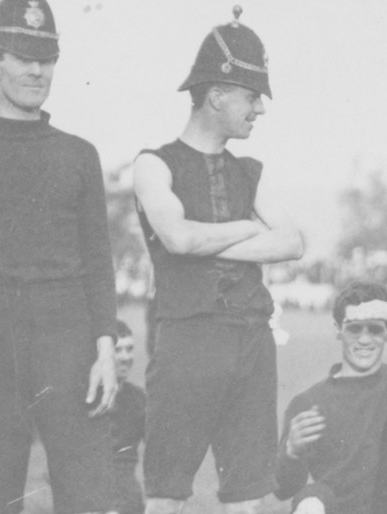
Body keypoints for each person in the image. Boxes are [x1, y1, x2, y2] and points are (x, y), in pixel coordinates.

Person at [0, 1, 119, 512]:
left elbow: (98, 260)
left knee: (86, 498)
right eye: (22, 58)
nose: (37, 71)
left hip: (71, 343)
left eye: (47, 58)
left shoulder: (79, 155)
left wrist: (105, 349)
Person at [132, 7, 304, 513]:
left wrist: (205, 235)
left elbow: (293, 242)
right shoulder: (154, 163)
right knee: (166, 496)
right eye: (252, 97)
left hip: (253, 342)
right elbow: (177, 239)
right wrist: (250, 228)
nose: (260, 110)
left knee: (248, 498)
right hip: (187, 340)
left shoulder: (251, 170)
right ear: (216, 95)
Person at [275, 281, 387, 514]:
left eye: (375, 329)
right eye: (354, 329)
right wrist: (291, 452)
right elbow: (283, 489)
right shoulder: (308, 403)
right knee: (311, 501)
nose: (364, 340)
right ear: (338, 329)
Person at [111, 321, 147, 514]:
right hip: (91, 499)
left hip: (129, 500)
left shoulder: (138, 399)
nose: (126, 357)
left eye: (130, 349)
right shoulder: (83, 399)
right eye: (118, 350)